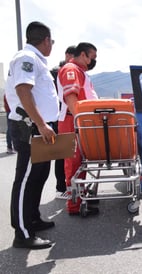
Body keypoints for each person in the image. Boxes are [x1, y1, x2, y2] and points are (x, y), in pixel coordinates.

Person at [5, 21, 59, 249]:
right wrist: (41, 124)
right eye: (52, 41)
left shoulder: (36, 59)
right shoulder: (26, 58)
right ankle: (22, 233)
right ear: (46, 40)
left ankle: (33, 219)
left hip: (39, 126)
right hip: (29, 126)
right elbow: (23, 92)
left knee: (39, 174)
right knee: (26, 177)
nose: (52, 45)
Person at [57, 42, 99, 216]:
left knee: (79, 164)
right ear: (83, 55)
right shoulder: (71, 70)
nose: (92, 62)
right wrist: (80, 121)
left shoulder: (80, 72)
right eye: (92, 58)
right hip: (72, 121)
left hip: (77, 121)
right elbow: (71, 98)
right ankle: (74, 204)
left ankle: (80, 196)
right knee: (73, 165)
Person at [50, 45, 76, 200]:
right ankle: (61, 188)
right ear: (67, 56)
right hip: (59, 117)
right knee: (62, 154)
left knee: (69, 153)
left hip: (64, 116)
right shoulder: (56, 73)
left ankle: (67, 186)